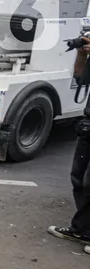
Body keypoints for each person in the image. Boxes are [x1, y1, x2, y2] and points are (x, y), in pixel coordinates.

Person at [49, 37, 90, 250]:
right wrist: (82, 54)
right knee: (78, 179)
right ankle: (81, 230)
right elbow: (79, 77)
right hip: (88, 127)